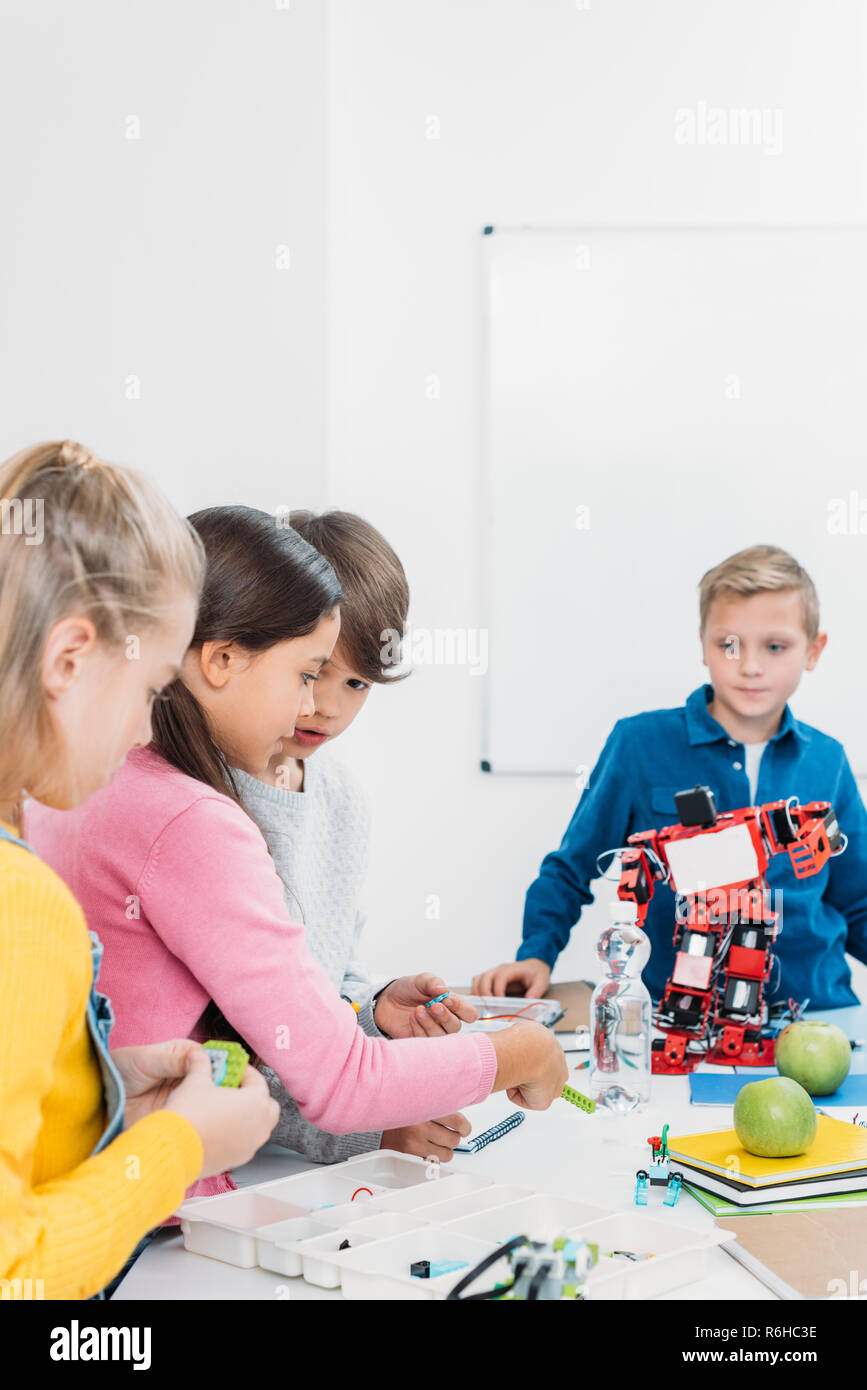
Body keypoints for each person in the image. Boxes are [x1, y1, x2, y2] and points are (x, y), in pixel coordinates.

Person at [473, 545, 867, 1010]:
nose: (752, 666)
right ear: (703, 644)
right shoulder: (639, 744)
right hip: (677, 1017)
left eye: (775, 646)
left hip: (818, 1013)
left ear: (813, 650)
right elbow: (573, 866)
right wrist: (536, 954)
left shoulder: (828, 760)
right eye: (729, 645)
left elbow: (857, 900)